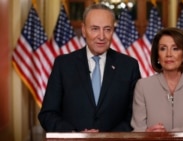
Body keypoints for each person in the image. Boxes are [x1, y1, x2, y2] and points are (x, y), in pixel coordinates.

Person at [38, 4, 141, 132]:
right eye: (95, 29)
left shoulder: (129, 66)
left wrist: (107, 137)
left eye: (107, 29)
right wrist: (75, 135)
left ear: (113, 31)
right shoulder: (63, 65)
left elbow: (135, 115)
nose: (101, 36)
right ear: (83, 30)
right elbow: (48, 114)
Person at [131, 27, 183, 139]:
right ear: (157, 55)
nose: (169, 54)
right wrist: (147, 132)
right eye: (163, 49)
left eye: (175, 48)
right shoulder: (143, 86)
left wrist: (166, 135)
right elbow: (138, 130)